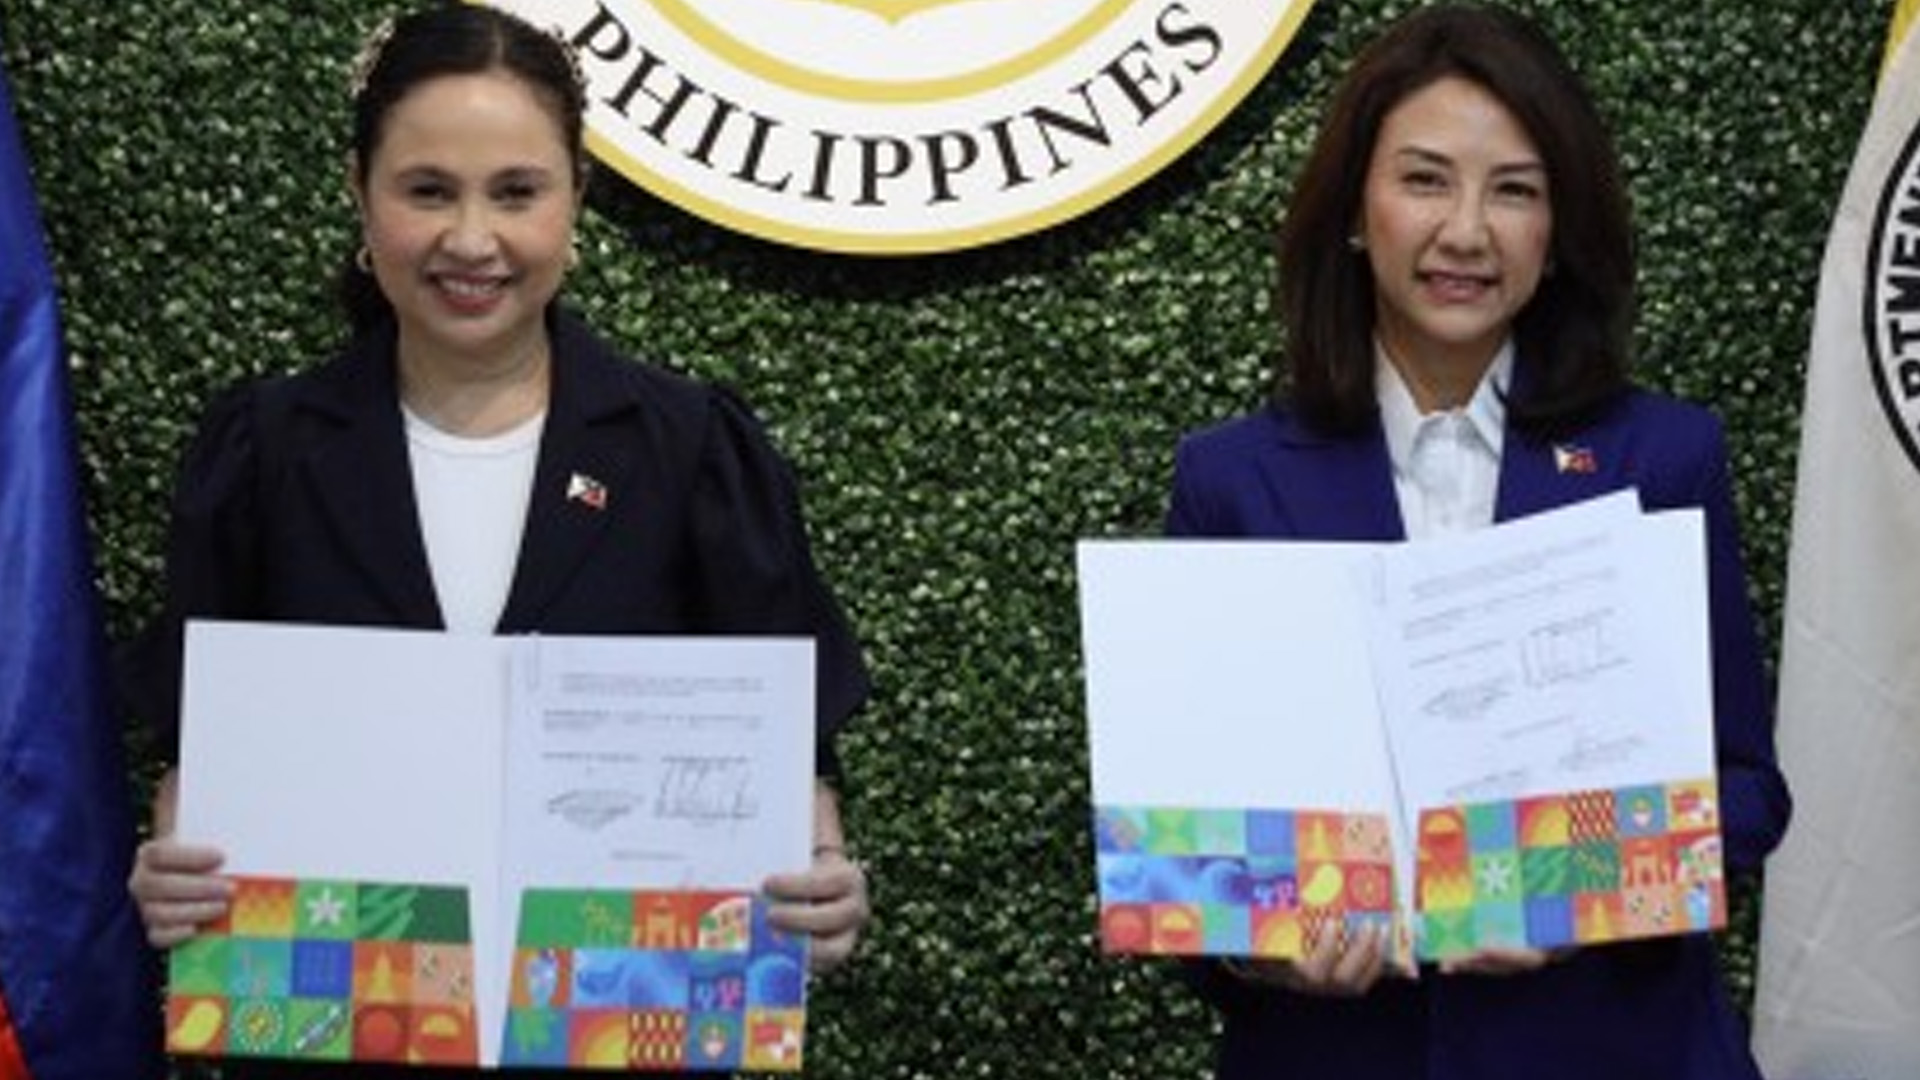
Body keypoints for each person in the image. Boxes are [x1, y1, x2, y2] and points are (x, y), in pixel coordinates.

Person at [122, 4, 870, 1075]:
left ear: (575, 199)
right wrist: (174, 874)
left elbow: (791, 755)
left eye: (516, 192)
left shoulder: (693, 450)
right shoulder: (263, 452)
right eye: (428, 190)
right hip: (337, 1038)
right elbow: (198, 748)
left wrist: (823, 883)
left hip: (625, 1034)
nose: (472, 239)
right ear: (360, 194)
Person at [1164, 4, 1790, 1079]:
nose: (1466, 231)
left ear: (1557, 233)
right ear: (1354, 212)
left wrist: (1572, 891)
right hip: (1335, 1055)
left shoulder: (1662, 460)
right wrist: (1259, 949)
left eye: (1515, 190)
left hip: (1615, 1050)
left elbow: (1745, 790)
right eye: (1425, 181)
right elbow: (1185, 843)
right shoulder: (1232, 481)